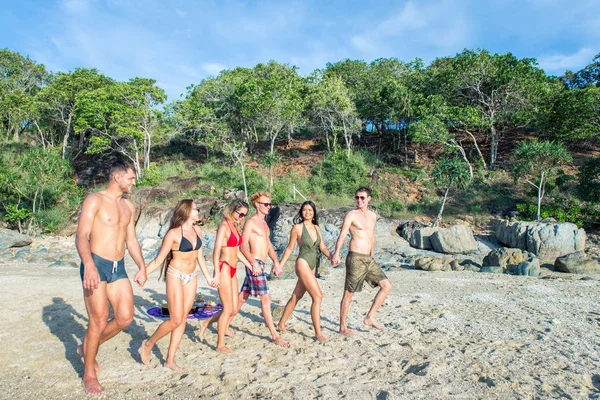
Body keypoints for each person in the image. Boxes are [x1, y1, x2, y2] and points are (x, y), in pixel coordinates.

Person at [75, 160, 147, 395]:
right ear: (117, 177)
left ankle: (87, 347)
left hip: (119, 267)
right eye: (131, 178)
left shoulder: (128, 206)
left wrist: (142, 266)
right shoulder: (94, 200)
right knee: (98, 319)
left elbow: (131, 240)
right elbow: (81, 235)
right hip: (96, 262)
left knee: (125, 318)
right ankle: (89, 374)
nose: (134, 182)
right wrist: (89, 265)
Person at [140, 199, 217, 372]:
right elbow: (159, 259)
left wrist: (209, 277)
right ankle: (148, 343)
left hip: (192, 276)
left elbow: (200, 257)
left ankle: (170, 359)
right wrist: (143, 272)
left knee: (183, 318)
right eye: (196, 209)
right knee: (175, 319)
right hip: (175, 274)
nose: (199, 212)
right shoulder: (173, 234)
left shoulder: (198, 230)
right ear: (187, 211)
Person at [330, 187, 392, 336]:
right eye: (357, 197)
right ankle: (343, 327)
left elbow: (371, 236)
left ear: (369, 199)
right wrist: (336, 253)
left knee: (386, 286)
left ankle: (370, 317)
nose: (359, 200)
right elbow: (343, 233)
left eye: (362, 198)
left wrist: (372, 254)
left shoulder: (373, 216)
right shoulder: (351, 215)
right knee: (349, 293)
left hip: (368, 259)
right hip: (356, 257)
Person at [235, 192, 290, 347]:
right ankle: (274, 334)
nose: (268, 207)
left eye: (269, 204)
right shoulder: (251, 222)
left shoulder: (265, 224)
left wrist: (276, 262)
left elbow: (268, 246)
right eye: (265, 204)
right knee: (265, 298)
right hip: (254, 264)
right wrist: (253, 262)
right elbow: (242, 245)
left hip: (261, 263)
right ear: (257, 205)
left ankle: (220, 324)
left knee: (242, 297)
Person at [198, 199, 251, 353]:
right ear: (232, 210)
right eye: (240, 214)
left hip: (234, 268)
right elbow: (216, 251)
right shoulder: (224, 226)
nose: (241, 217)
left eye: (244, 216)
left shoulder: (235, 226)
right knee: (228, 308)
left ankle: (207, 322)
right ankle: (220, 344)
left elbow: (237, 251)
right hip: (224, 268)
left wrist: (249, 265)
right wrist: (216, 274)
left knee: (234, 309)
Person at [277, 201, 331, 342]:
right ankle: (318, 333)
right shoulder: (297, 228)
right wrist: (280, 265)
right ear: (301, 212)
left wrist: (332, 257)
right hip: (302, 263)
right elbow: (290, 248)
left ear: (314, 213)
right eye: (305, 210)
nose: (307, 212)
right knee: (318, 297)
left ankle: (281, 324)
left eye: (310, 210)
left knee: (296, 296)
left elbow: (323, 247)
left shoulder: (317, 228)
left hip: (313, 266)